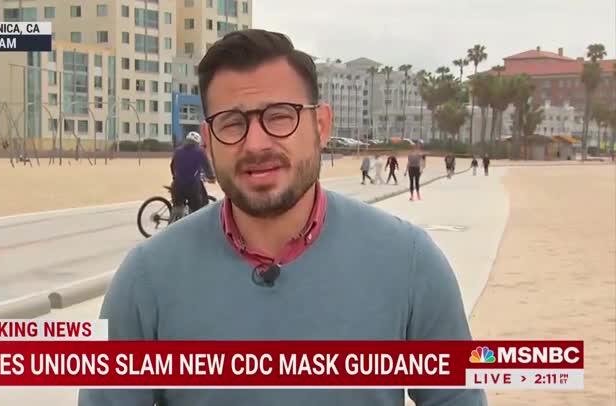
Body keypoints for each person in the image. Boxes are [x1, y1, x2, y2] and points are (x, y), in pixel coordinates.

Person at [79, 29, 486, 406]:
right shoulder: (146, 279)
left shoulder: (410, 264)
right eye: (232, 123)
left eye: (279, 116)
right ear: (208, 142)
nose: (256, 144)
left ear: (321, 125)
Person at [169, 131, 215, 220]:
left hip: (177, 185)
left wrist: (175, 177)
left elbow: (172, 166)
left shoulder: (178, 151)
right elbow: (207, 166)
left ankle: (173, 224)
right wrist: (211, 177)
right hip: (192, 186)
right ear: (198, 142)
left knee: (177, 207)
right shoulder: (199, 152)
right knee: (198, 207)